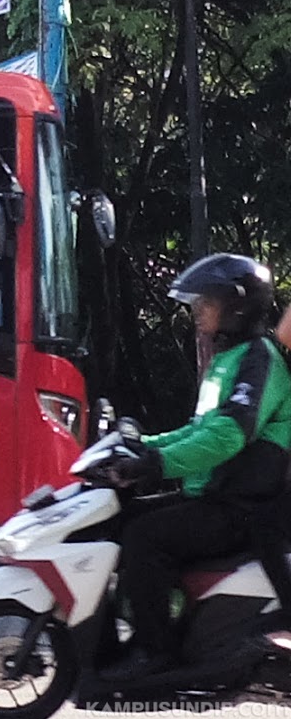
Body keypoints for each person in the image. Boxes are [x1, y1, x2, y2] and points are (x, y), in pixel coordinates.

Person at [101, 253, 291, 682]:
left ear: (238, 306)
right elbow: (197, 429)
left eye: (208, 301)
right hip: (215, 494)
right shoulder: (228, 360)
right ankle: (131, 637)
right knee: (121, 519)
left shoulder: (258, 359)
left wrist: (157, 462)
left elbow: (227, 435)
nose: (198, 309)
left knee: (143, 537)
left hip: (243, 507)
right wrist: (137, 445)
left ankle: (159, 652)